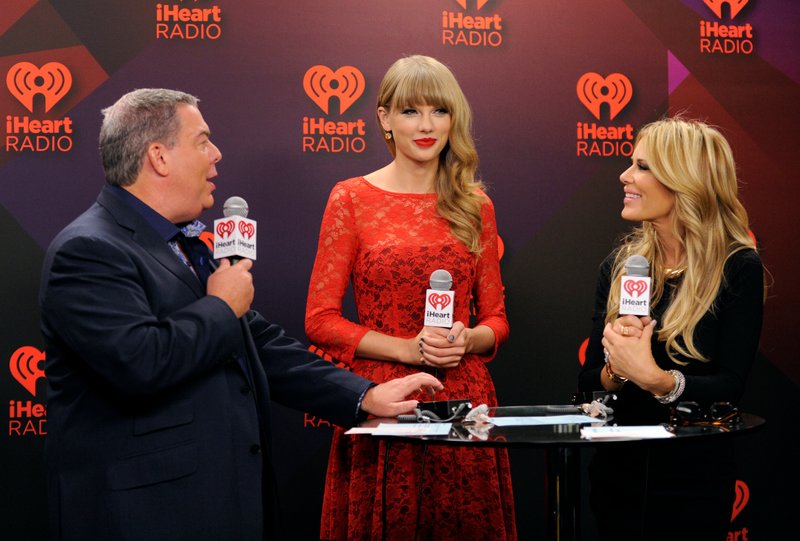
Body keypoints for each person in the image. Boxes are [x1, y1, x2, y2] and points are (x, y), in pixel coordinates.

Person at [39, 88, 442, 541]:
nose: (217, 155)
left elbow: (259, 345)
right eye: (202, 140)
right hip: (146, 516)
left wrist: (363, 397)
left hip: (219, 504)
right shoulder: (88, 250)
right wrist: (220, 306)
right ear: (159, 157)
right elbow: (138, 362)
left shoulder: (182, 246)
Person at [305, 55, 516, 541]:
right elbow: (320, 320)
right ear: (384, 118)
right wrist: (405, 348)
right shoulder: (351, 198)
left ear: (454, 119)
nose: (426, 126)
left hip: (464, 399)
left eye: (439, 111)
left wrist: (469, 338)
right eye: (410, 112)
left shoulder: (476, 203)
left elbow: (498, 321)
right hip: (383, 399)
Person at [577, 117, 765, 540]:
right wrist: (618, 367)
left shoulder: (737, 268)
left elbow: (729, 386)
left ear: (685, 180)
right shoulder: (621, 266)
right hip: (617, 477)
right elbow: (589, 381)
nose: (625, 175)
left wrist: (657, 379)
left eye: (643, 166)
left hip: (691, 479)